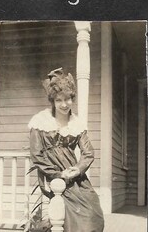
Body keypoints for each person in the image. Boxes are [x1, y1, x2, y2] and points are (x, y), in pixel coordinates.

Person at [28, 67, 105, 232]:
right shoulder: (40, 121)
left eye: (68, 99)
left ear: (72, 99)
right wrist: (58, 174)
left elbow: (88, 152)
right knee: (76, 220)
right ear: (53, 101)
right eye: (59, 100)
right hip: (53, 176)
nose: (64, 104)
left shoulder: (76, 124)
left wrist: (77, 170)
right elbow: (36, 155)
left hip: (75, 177)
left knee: (93, 211)